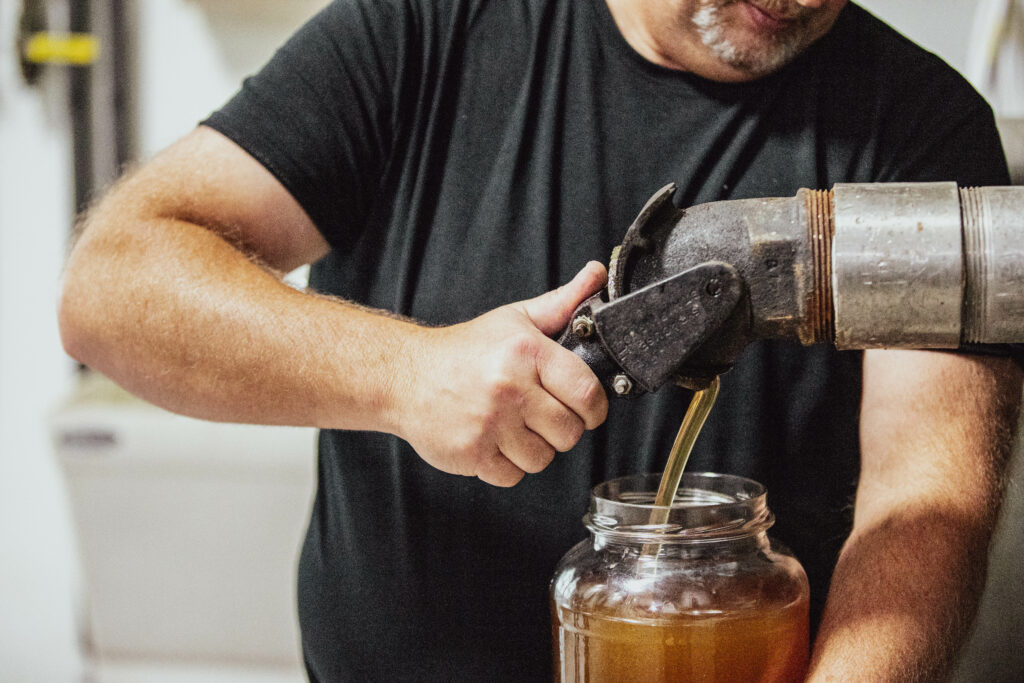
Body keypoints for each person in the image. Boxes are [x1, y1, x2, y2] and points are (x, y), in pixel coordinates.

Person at [58, 0, 1023, 680]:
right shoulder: (422, 32)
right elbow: (112, 284)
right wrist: (405, 373)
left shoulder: (922, 136)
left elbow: (928, 501)